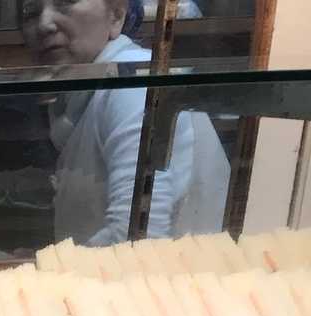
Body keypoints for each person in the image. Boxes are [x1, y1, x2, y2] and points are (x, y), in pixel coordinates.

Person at [20, 0, 228, 245]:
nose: (43, 24)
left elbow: (140, 238)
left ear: (116, 16)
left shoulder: (132, 84)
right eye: (31, 12)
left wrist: (50, 265)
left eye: (65, 2)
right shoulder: (80, 87)